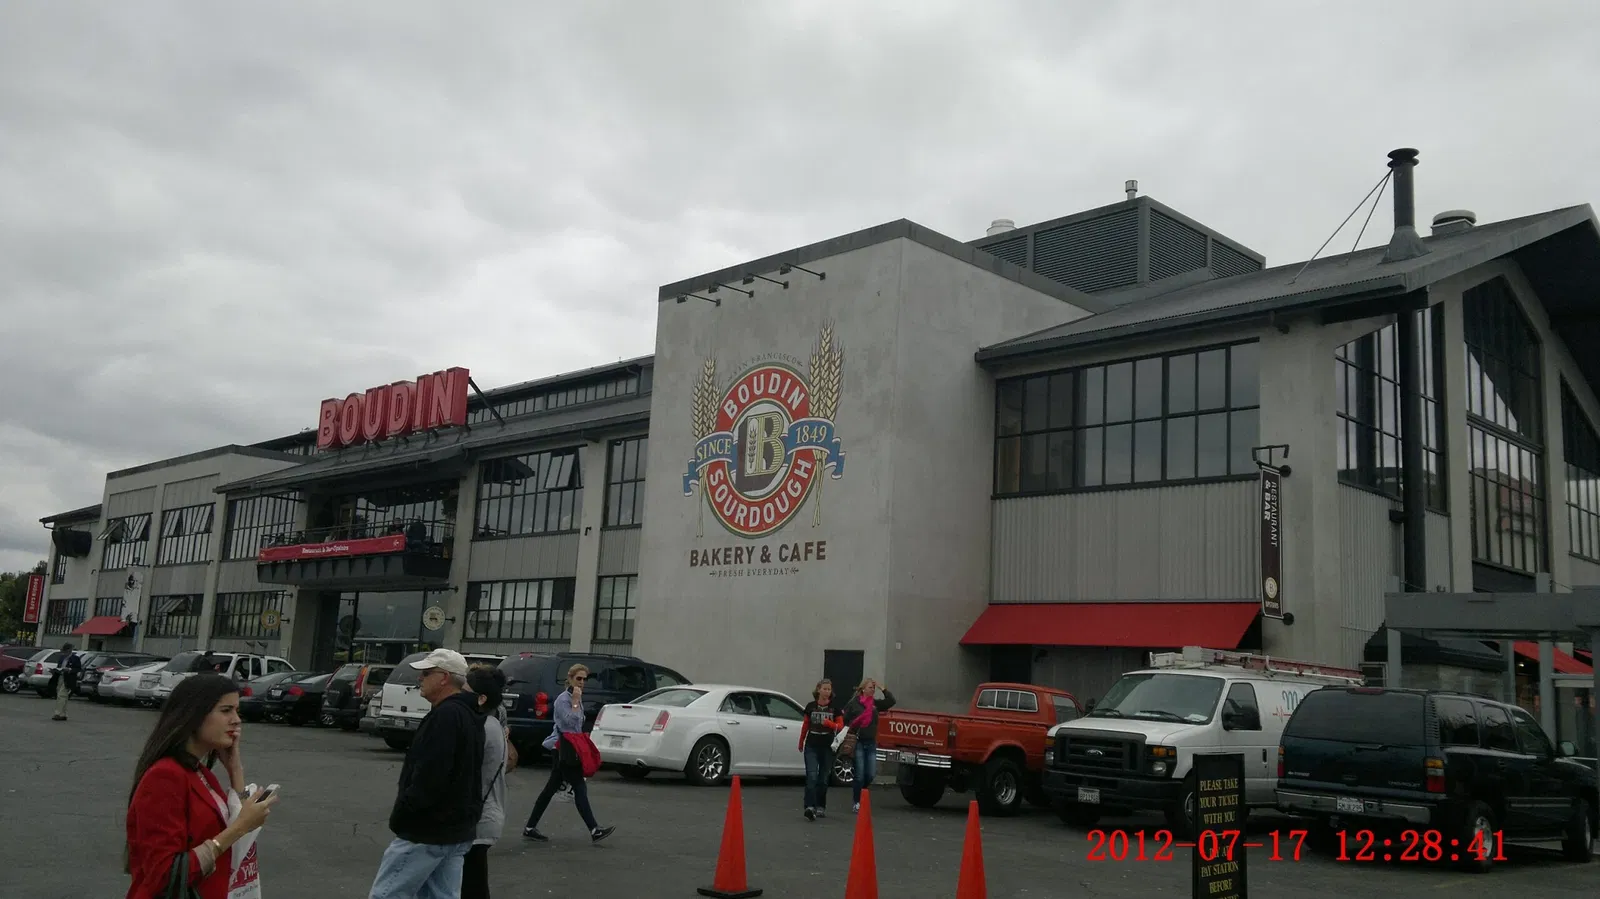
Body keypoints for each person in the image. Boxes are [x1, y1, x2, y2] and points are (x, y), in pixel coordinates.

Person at [125, 673, 277, 899]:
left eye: (237, 711)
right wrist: (240, 828)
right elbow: (164, 874)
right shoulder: (165, 776)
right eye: (226, 711)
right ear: (193, 715)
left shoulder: (199, 771)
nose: (236, 720)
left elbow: (237, 818)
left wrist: (235, 770)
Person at [368, 648, 486, 899]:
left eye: (426, 673)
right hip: (456, 829)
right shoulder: (469, 714)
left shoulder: (446, 715)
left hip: (427, 830)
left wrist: (404, 815)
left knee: (387, 894)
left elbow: (431, 775)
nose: (419, 678)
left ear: (444, 677)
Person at [521, 663, 615, 843]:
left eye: (584, 679)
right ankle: (594, 829)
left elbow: (578, 725)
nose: (581, 683)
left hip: (569, 748)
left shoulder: (577, 697)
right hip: (563, 748)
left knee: (550, 789)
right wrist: (574, 703)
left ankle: (530, 827)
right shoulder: (563, 700)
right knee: (579, 787)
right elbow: (568, 723)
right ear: (570, 679)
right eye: (578, 679)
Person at [463, 665, 509, 899]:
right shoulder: (494, 725)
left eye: (466, 690)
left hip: (479, 817)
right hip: (487, 814)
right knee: (473, 881)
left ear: (481, 698)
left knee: (472, 885)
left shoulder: (483, 727)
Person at [842, 678, 896, 813]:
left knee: (870, 774)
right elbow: (844, 719)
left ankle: (862, 792)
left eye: (873, 687)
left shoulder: (874, 704)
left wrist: (882, 688)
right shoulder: (854, 704)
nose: (872, 689)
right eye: (870, 687)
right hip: (858, 741)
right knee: (859, 774)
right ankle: (857, 801)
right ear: (863, 689)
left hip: (871, 742)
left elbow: (891, 701)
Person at [798, 678, 844, 821]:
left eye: (829, 689)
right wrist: (801, 741)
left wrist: (829, 724)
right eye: (824, 689)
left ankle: (820, 806)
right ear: (818, 690)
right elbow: (805, 724)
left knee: (823, 778)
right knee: (811, 776)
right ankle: (809, 806)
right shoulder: (811, 706)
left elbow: (841, 726)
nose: (826, 692)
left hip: (827, 745)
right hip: (812, 744)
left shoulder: (835, 708)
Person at [51, 642, 82, 721]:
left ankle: (57, 713)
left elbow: (78, 669)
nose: (64, 653)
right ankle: (63, 714)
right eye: (64, 651)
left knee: (62, 695)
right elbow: (59, 667)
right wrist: (55, 671)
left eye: (66, 651)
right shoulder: (62, 658)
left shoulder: (75, 658)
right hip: (61, 677)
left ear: (70, 650)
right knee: (62, 695)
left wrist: (70, 670)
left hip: (69, 678)